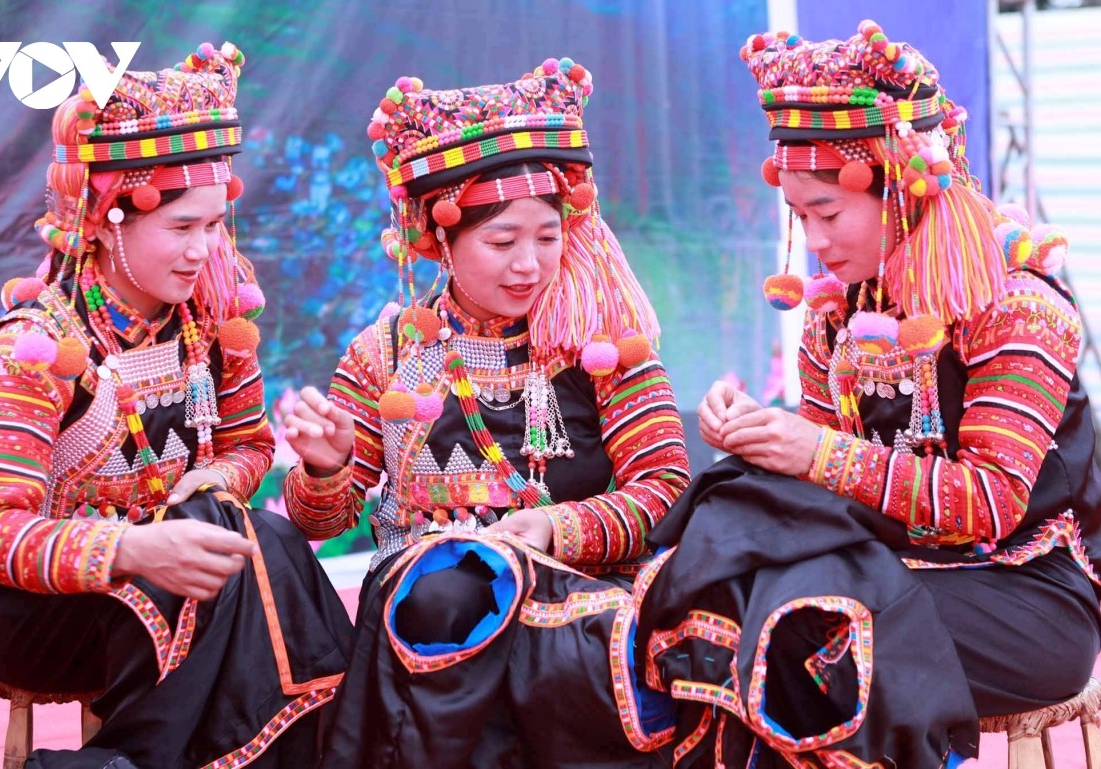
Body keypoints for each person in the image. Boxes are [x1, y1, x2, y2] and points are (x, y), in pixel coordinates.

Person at [633, 20, 1101, 769]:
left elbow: (990, 501)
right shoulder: (836, 312)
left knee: (809, 633)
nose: (815, 241)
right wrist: (762, 438)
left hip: (1024, 595)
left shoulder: (1015, 305)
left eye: (827, 213)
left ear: (905, 190)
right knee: (724, 589)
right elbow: (830, 485)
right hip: (884, 570)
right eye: (800, 218)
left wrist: (813, 452)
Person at [0, 43, 351, 769]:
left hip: (177, 588)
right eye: (182, 228)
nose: (204, 250)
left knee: (242, 534)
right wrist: (132, 548)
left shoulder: (213, 326)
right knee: (241, 547)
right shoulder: (35, 346)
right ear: (107, 218)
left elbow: (249, 448)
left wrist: (214, 483)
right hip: (36, 611)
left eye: (214, 226)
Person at [281, 59, 691, 768]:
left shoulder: (602, 344)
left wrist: (554, 528)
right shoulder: (387, 352)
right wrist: (327, 467)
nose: (529, 264)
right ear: (441, 239)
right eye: (502, 242)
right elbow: (322, 522)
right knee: (448, 597)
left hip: (578, 598)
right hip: (428, 609)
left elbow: (664, 487)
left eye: (548, 237)